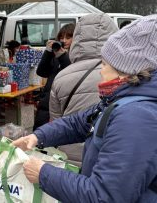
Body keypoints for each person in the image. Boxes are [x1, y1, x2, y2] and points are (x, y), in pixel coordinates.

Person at [13, 15, 157, 202]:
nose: (100, 71)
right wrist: (38, 136)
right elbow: (79, 123)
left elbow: (104, 196)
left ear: (126, 71)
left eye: (105, 65)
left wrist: (43, 174)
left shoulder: (136, 117)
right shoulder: (125, 98)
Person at [48, 13, 118, 166]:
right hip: (109, 157)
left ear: (77, 38)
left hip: (69, 158)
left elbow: (55, 123)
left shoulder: (61, 77)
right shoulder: (124, 74)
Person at [33, 23, 74, 130]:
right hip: (47, 103)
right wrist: (48, 52)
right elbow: (41, 72)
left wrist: (62, 56)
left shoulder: (76, 56)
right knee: (39, 136)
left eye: (68, 37)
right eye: (61, 37)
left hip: (64, 105)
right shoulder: (55, 54)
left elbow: (70, 72)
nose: (64, 40)